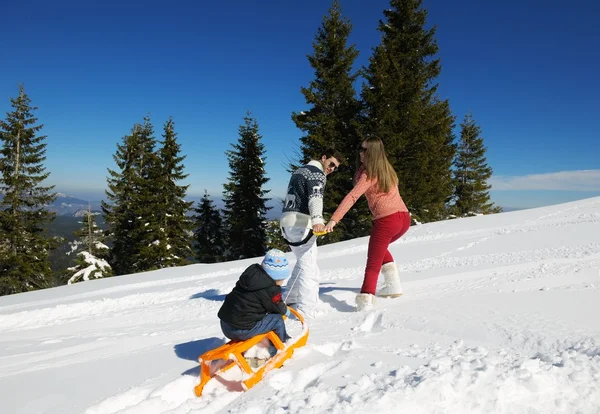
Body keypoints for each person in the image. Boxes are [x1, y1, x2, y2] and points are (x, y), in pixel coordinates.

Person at [324, 137, 410, 311]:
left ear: (374, 153)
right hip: (403, 219)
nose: (361, 153)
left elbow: (352, 196)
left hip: (387, 220)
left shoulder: (369, 173)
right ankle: (393, 285)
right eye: (360, 149)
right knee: (379, 250)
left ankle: (365, 300)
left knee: (373, 263)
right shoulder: (387, 170)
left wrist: (334, 219)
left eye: (365, 150)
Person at [280, 148, 344, 318]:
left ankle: (287, 298)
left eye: (335, 167)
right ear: (323, 157)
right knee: (310, 269)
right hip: (301, 223)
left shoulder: (300, 171)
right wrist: (317, 219)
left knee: (303, 261)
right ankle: (306, 311)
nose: (332, 169)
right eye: (331, 164)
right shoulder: (317, 173)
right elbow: (315, 197)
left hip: (287, 222)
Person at [218, 249, 292, 352]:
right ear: (277, 277)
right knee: (277, 319)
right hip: (240, 330)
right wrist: (286, 311)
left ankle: (265, 341)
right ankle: (283, 344)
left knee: (258, 315)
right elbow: (278, 308)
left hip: (225, 324)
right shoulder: (271, 290)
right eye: (282, 279)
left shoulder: (251, 276)